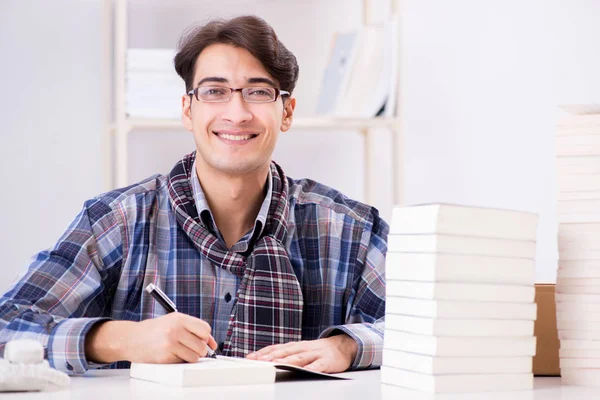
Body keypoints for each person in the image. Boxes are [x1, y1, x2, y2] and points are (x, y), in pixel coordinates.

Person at [0, 15, 388, 375]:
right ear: (188, 110)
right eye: (215, 91)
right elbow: (8, 327)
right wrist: (121, 339)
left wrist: (348, 347)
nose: (236, 114)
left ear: (286, 112)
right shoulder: (117, 220)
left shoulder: (349, 229)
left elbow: (432, 329)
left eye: (257, 92)